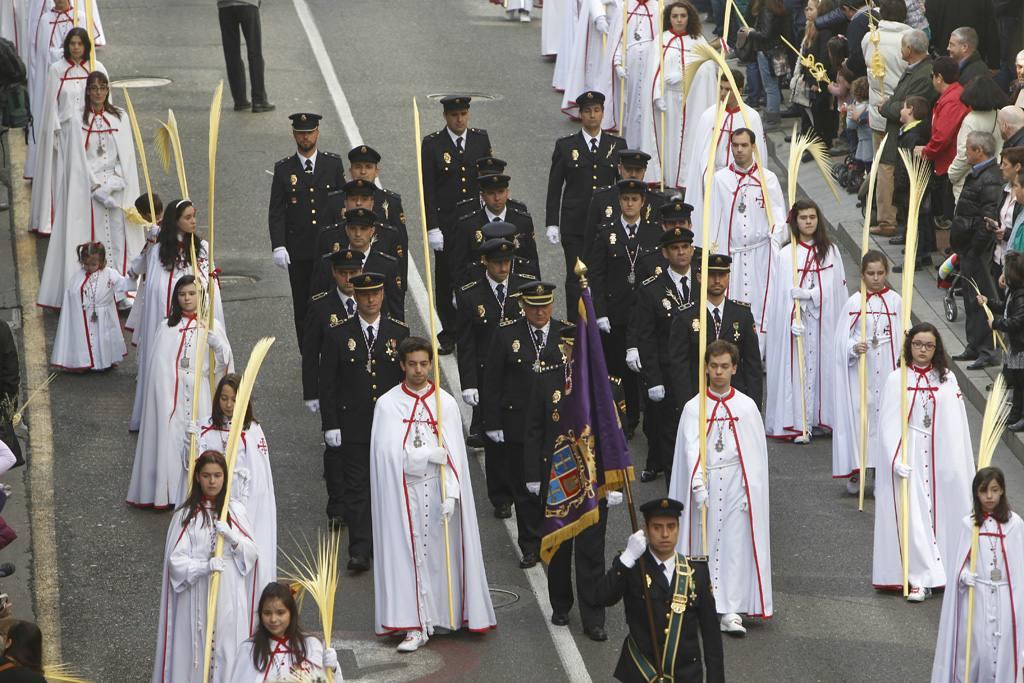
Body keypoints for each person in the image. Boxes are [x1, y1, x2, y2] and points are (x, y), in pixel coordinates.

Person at [370, 336, 496, 652]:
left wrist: (453, 494)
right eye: (412, 364)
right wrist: (426, 455)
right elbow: (386, 457)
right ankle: (413, 624)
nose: (418, 370)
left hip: (439, 495)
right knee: (410, 558)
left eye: (424, 363)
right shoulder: (387, 405)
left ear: (431, 364)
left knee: (441, 559)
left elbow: (457, 461)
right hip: (406, 496)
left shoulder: (446, 404)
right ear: (402, 365)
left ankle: (441, 616)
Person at [669, 340, 772, 635]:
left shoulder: (746, 407)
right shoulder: (694, 407)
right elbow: (691, 449)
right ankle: (701, 602)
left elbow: (753, 456)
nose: (718, 372)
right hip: (707, 483)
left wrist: (749, 490)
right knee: (704, 544)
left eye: (724, 366)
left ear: (734, 368)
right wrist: (698, 483)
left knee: (734, 548)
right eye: (713, 366)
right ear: (705, 368)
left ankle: (731, 609)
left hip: (737, 485)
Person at [872, 323, 974, 601]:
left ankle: (948, 567)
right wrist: (895, 458)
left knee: (942, 511)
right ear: (910, 345)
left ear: (936, 348)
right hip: (912, 453)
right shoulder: (897, 378)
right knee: (914, 515)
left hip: (940, 451)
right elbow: (889, 423)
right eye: (917, 344)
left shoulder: (947, 378)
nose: (922, 350)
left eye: (928, 345)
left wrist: (955, 460)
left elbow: (956, 422)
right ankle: (919, 577)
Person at [524, 323, 611, 642]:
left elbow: (616, 435)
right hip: (558, 479)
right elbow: (533, 429)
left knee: (592, 554)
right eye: (570, 348)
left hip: (592, 483)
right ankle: (560, 604)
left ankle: (594, 617)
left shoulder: (605, 385)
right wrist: (533, 475)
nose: (574, 354)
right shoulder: (547, 379)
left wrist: (612, 480)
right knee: (560, 547)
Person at [319, 272, 409, 569]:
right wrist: (330, 424)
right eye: (364, 294)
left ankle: (392, 546)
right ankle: (360, 549)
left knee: (390, 485)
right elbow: (328, 383)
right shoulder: (338, 334)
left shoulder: (399, 331)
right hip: (353, 424)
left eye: (376, 294)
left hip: (390, 426)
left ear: (383, 296)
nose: (370, 299)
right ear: (355, 297)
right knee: (357, 489)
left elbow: (407, 381)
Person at [483, 281, 572, 568]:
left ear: (552, 304)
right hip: (518, 423)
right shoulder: (507, 334)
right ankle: (530, 544)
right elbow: (493, 380)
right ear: (523, 306)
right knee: (524, 488)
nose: (539, 312)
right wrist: (492, 421)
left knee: (554, 484)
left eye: (545, 305)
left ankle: (555, 536)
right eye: (533, 306)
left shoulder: (565, 334)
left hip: (557, 425)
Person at [37, 70, 142, 311]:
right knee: (91, 238)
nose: (98, 92)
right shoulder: (77, 120)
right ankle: (92, 289)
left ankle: (119, 291)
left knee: (117, 239)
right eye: (94, 88)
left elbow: (125, 158)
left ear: (108, 90)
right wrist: (96, 187)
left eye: (103, 88)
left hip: (115, 189)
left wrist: (114, 183)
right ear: (88, 92)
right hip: (88, 190)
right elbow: (77, 159)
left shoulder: (120, 118)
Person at [127, 276, 234, 509]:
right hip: (170, 395)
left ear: (200, 296)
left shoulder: (212, 325)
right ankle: (167, 492)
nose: (187, 298)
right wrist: (165, 391)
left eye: (192, 293)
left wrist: (219, 346)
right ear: (176, 298)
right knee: (170, 441)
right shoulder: (167, 326)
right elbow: (158, 365)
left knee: (200, 440)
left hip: (200, 392)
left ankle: (200, 491)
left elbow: (225, 367)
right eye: (182, 294)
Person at [152, 450, 258, 682]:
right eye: (207, 475)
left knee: (227, 647)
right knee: (196, 651)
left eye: (218, 475)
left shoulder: (236, 512)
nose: (212, 481)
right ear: (198, 477)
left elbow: (252, 555)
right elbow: (176, 563)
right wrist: (204, 566)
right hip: (196, 594)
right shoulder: (186, 516)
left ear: (225, 477)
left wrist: (233, 539)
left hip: (229, 593)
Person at [596, 497, 725, 682]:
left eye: (671, 527)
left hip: (685, 675)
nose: (665, 534)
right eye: (657, 527)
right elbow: (601, 598)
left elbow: (711, 634)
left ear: (678, 529)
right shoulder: (632, 566)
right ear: (646, 530)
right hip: (641, 673)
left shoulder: (696, 571)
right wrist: (626, 559)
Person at [127, 199, 226, 431]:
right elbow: (153, 288)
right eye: (188, 217)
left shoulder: (202, 249)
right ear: (175, 221)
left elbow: (210, 290)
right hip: (167, 327)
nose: (194, 221)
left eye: (194, 216)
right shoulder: (159, 251)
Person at [455, 238, 532, 518]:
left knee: (520, 436)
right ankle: (501, 495)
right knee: (495, 439)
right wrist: (469, 383)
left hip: (519, 374)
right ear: (485, 262)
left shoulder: (524, 288)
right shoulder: (470, 295)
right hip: (489, 378)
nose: (503, 266)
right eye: (497, 262)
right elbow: (466, 343)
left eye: (507, 261)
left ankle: (523, 488)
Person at [765, 199, 849, 443]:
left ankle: (821, 419)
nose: (808, 222)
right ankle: (800, 421)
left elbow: (836, 288)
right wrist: (791, 313)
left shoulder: (830, 251)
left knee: (823, 366)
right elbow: (779, 295)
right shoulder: (786, 254)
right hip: (798, 324)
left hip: (824, 321)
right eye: (803, 218)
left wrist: (811, 295)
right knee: (798, 367)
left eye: (812, 217)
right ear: (795, 221)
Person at [696, 128, 787, 354]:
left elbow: (779, 217)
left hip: (761, 255)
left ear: (753, 147)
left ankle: (762, 352)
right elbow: (713, 219)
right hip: (733, 255)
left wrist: (775, 238)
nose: (739, 150)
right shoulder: (720, 180)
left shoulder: (768, 179)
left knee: (762, 304)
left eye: (744, 145)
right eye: (735, 145)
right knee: (733, 305)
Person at [931, 467, 1024, 682]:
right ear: (976, 493)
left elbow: (1020, 568)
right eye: (983, 491)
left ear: (1002, 491)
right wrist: (964, 575)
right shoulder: (969, 524)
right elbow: (958, 564)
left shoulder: (1015, 525)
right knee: (978, 649)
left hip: (1005, 598)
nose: (989, 496)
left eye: (994, 490)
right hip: (978, 596)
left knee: (1004, 650)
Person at [199, 373, 276, 628]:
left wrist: (244, 506)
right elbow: (194, 471)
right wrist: (188, 446)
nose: (228, 404)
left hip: (245, 508)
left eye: (234, 399)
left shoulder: (252, 430)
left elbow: (261, 480)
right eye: (223, 398)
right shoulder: (206, 429)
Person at [420, 95, 493, 355]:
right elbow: (427, 189)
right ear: (445, 117)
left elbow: (489, 178)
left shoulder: (479, 139)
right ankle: (450, 331)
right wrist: (432, 227)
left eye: (463, 114)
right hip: (448, 224)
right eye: (454, 115)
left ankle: (478, 323)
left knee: (477, 271)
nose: (459, 119)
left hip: (475, 221)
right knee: (447, 277)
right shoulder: (432, 145)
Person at [546, 90, 626, 320]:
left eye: (597, 110)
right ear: (580, 114)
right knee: (576, 278)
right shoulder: (566, 146)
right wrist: (552, 222)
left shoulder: (617, 145)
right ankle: (574, 330)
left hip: (605, 224)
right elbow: (555, 186)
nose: (593, 115)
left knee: (604, 275)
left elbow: (623, 186)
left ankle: (600, 324)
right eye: (588, 111)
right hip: (576, 226)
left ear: (603, 113)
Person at [268, 112, 346, 347]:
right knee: (303, 303)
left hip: (329, 251)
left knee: (333, 300)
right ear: (294, 134)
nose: (305, 137)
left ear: (317, 133)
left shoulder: (332, 164)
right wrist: (279, 245)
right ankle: (308, 350)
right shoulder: (284, 169)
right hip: (299, 250)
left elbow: (343, 205)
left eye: (309, 132)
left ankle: (332, 346)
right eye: (301, 133)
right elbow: (277, 211)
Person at [590, 178, 660, 435]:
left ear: (642, 202)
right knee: (618, 370)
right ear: (619, 202)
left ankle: (647, 416)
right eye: (625, 199)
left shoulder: (653, 232)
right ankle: (624, 419)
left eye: (634, 199)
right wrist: (600, 312)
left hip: (646, 312)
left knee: (646, 365)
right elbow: (596, 275)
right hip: (616, 312)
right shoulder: (606, 232)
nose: (629, 204)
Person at [628, 227, 697, 483]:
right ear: (665, 254)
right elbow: (646, 339)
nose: (681, 252)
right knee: (671, 434)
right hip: (668, 375)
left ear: (691, 250)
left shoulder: (703, 284)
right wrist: (653, 379)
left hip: (699, 372)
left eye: (685, 247)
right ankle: (674, 490)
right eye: (675, 248)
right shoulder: (651, 289)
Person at [831, 251, 903, 494]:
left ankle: (883, 471)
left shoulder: (896, 302)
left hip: (887, 370)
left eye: (880, 273)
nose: (875, 278)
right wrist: (853, 347)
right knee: (862, 419)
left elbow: (905, 335)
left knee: (886, 419)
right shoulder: (854, 303)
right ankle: (859, 469)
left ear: (886, 273)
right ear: (862, 274)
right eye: (870, 274)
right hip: (862, 371)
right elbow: (841, 339)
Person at [28, 27, 104, 236]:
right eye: (72, 43)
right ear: (67, 46)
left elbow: (104, 100)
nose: (76, 47)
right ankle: (60, 221)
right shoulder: (56, 70)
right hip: (65, 133)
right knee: (63, 178)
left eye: (80, 43)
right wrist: (54, 131)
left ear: (86, 46)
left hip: (90, 133)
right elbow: (51, 104)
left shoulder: (96, 68)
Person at [668, 253, 763, 413]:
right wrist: (686, 404)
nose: (717, 280)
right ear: (699, 277)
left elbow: (753, 364)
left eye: (722, 275)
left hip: (736, 398)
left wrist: (754, 406)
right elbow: (679, 365)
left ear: (728, 278)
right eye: (711, 275)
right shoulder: (686, 316)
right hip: (698, 397)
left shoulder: (742, 314)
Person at [639, 1, 718, 188]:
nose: (679, 20)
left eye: (683, 16)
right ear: (669, 18)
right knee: (669, 140)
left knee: (688, 138)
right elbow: (652, 70)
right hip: (667, 100)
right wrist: (657, 96)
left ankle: (684, 179)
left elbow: (707, 69)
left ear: (689, 17)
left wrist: (684, 75)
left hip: (690, 100)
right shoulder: (661, 40)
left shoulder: (698, 40)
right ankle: (666, 177)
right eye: (675, 16)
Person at [871, 29, 936, 238]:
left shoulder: (924, 73)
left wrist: (886, 106)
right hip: (899, 132)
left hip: (909, 134)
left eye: (902, 46)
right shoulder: (915, 69)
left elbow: (911, 104)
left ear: (909, 49)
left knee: (892, 176)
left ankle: (889, 221)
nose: (901, 50)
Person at [949, 131, 1004, 370]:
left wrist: (974, 248)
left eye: (968, 148)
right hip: (968, 246)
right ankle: (974, 344)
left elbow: (988, 218)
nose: (965, 152)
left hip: (976, 249)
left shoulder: (988, 178)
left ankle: (987, 350)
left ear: (979, 151)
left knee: (981, 298)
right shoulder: (980, 174)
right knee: (971, 298)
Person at [683, 70, 767, 205]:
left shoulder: (751, 117)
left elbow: (759, 156)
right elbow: (700, 155)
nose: (722, 93)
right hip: (714, 180)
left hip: (742, 180)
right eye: (720, 88)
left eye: (728, 89)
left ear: (740, 90)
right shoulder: (709, 116)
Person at [228, 582, 340, 682]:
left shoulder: (312, 645)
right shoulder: (248, 650)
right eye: (267, 613)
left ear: (291, 613)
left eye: (280, 613)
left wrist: (333, 669)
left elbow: (330, 680)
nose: (273, 619)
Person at [50, 241, 134, 371]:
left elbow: (124, 284)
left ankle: (107, 360)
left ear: (101, 261)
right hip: (85, 314)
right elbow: (72, 294)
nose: (89, 267)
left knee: (104, 338)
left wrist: (135, 275)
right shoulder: (78, 276)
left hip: (104, 314)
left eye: (93, 264)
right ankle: (83, 362)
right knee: (87, 339)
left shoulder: (110, 274)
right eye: (86, 264)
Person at [309, 207, 404, 319]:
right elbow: (317, 303)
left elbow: (396, 310)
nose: (358, 234)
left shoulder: (388, 265)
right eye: (353, 228)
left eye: (363, 229)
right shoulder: (328, 263)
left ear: (372, 231)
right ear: (347, 230)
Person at [301, 248, 362, 416]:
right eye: (343, 273)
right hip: (335, 387)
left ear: (361, 271)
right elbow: (311, 353)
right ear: (334, 272)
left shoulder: (372, 302)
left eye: (353, 272)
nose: (348, 279)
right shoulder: (320, 307)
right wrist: (311, 392)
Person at [451, 172, 537, 287]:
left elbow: (532, 261)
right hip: (480, 290)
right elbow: (459, 265)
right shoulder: (468, 225)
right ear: (482, 196)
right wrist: (460, 294)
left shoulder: (522, 221)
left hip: (517, 288)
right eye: (491, 193)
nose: (497, 198)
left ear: (507, 192)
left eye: (501, 192)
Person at [914, 57, 969, 230]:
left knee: (951, 206)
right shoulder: (952, 95)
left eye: (932, 75)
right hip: (948, 158)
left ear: (939, 77)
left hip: (949, 161)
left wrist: (926, 151)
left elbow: (942, 136)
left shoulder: (952, 99)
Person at [583, 149, 667, 257]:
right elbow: (590, 238)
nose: (633, 174)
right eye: (628, 169)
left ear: (645, 171)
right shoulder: (602, 197)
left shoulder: (657, 200)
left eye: (638, 170)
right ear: (619, 169)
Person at [559, 0, 623, 131]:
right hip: (600, 17)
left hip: (619, 15)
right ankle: (592, 107)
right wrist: (598, 16)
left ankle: (612, 110)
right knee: (596, 66)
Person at [861, 0, 911, 162]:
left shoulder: (869, 38)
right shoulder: (911, 38)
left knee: (882, 164)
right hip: (905, 111)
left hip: (877, 110)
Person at [981, 252, 1024, 431]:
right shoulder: (1014, 293)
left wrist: (996, 323)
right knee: (1018, 382)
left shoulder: (1020, 296)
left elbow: (1016, 321)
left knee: (1021, 384)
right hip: (1015, 346)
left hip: (1020, 348)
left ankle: (1019, 415)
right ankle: (1015, 414)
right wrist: (988, 302)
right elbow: (1005, 309)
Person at [947, 77, 1008, 203]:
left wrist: (952, 174)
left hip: (971, 179)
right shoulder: (1000, 115)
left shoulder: (971, 120)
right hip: (996, 175)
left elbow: (964, 154)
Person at [738, 0, 792, 130]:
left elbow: (765, 34)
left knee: (770, 86)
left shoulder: (767, 10)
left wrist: (750, 32)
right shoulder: (779, 7)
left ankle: (773, 119)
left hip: (766, 52)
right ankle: (771, 114)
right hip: (776, 51)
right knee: (774, 85)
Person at [612, 0, 658, 148]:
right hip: (630, 63)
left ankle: (646, 146)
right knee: (631, 103)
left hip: (650, 63)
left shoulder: (658, 8)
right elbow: (618, 40)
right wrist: (618, 63)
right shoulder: (625, 7)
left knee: (646, 103)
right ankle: (630, 145)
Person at [216, 0, 273, 112]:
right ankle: (259, 100)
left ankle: (240, 100)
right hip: (248, 4)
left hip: (225, 5)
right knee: (254, 52)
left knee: (231, 55)